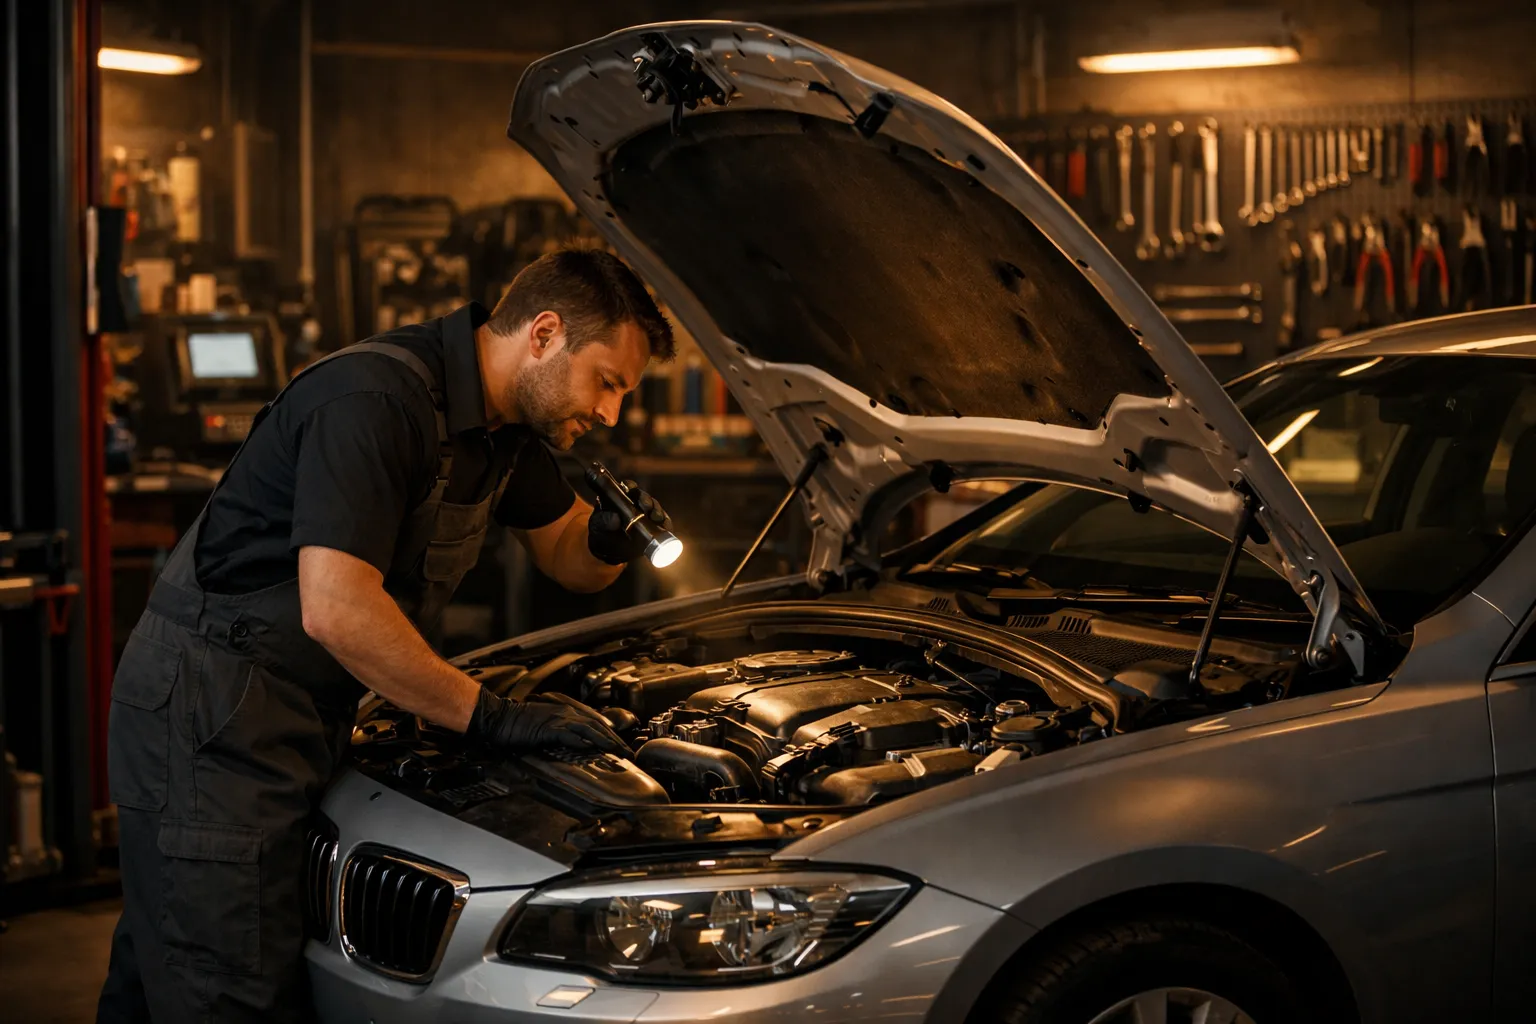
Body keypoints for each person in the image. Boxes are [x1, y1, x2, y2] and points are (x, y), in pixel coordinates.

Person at [97, 249, 676, 1022]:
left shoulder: (505, 432)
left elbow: (566, 554)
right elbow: (334, 608)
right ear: (543, 334)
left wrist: (606, 538)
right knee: (223, 986)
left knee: (169, 967)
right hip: (210, 713)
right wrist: (488, 715)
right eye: (608, 381)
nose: (610, 413)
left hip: (295, 707)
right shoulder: (374, 399)